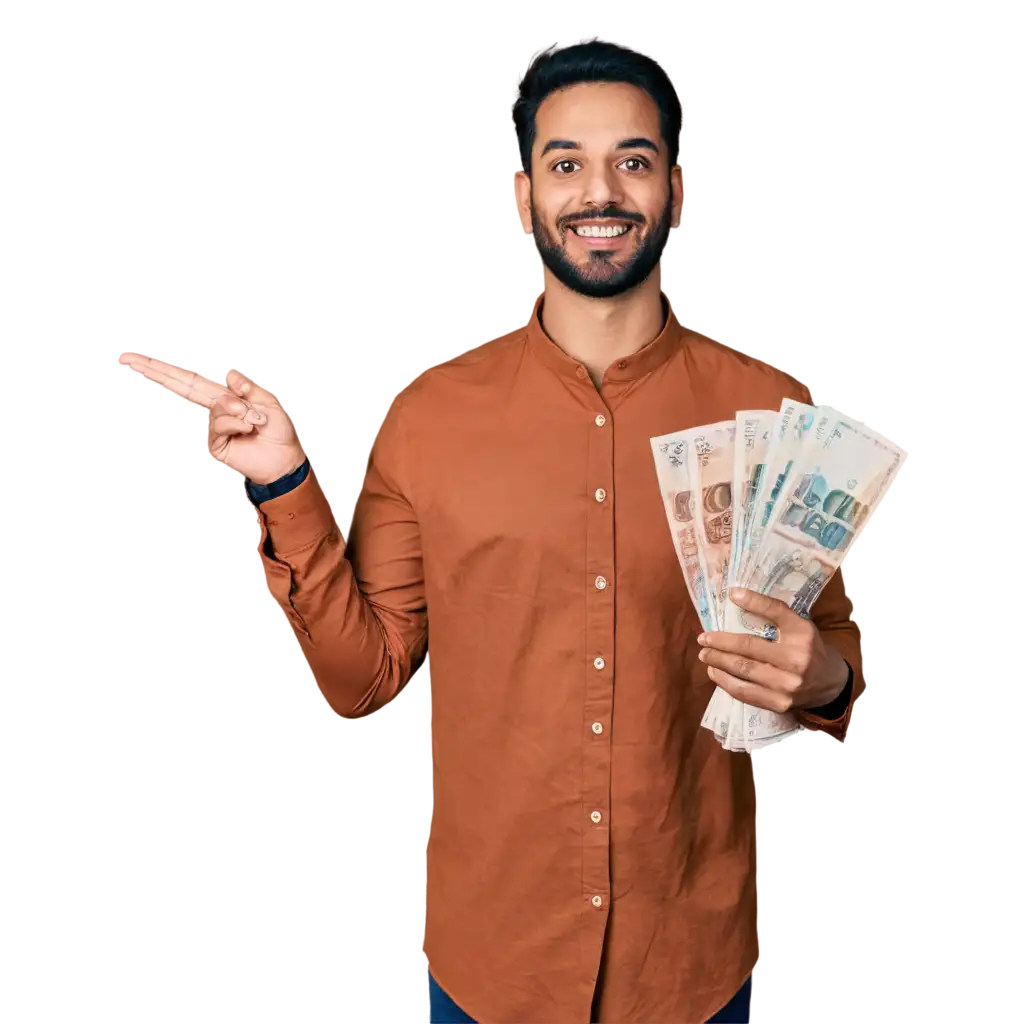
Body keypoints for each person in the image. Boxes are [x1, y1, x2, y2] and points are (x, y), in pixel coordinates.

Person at [119, 38, 859, 1024]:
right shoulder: (428, 417)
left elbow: (832, 656)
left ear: (676, 190)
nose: (600, 190)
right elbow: (363, 674)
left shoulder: (769, 414)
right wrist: (283, 482)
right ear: (523, 197)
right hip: (488, 974)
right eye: (566, 163)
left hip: (691, 973)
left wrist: (828, 681)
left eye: (632, 161)